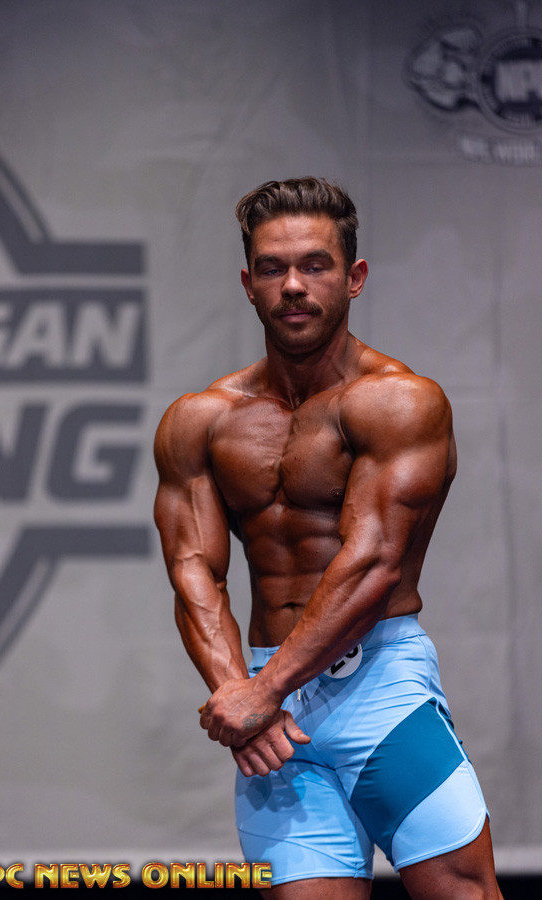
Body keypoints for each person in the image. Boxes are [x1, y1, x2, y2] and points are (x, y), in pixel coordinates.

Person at [154, 177, 502, 899]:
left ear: (354, 277)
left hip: (377, 688)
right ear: (248, 284)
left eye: (315, 265)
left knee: (462, 893)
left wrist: (262, 693)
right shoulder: (201, 419)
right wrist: (237, 693)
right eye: (273, 268)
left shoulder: (399, 402)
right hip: (270, 711)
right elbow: (193, 570)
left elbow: (372, 564)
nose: (293, 285)